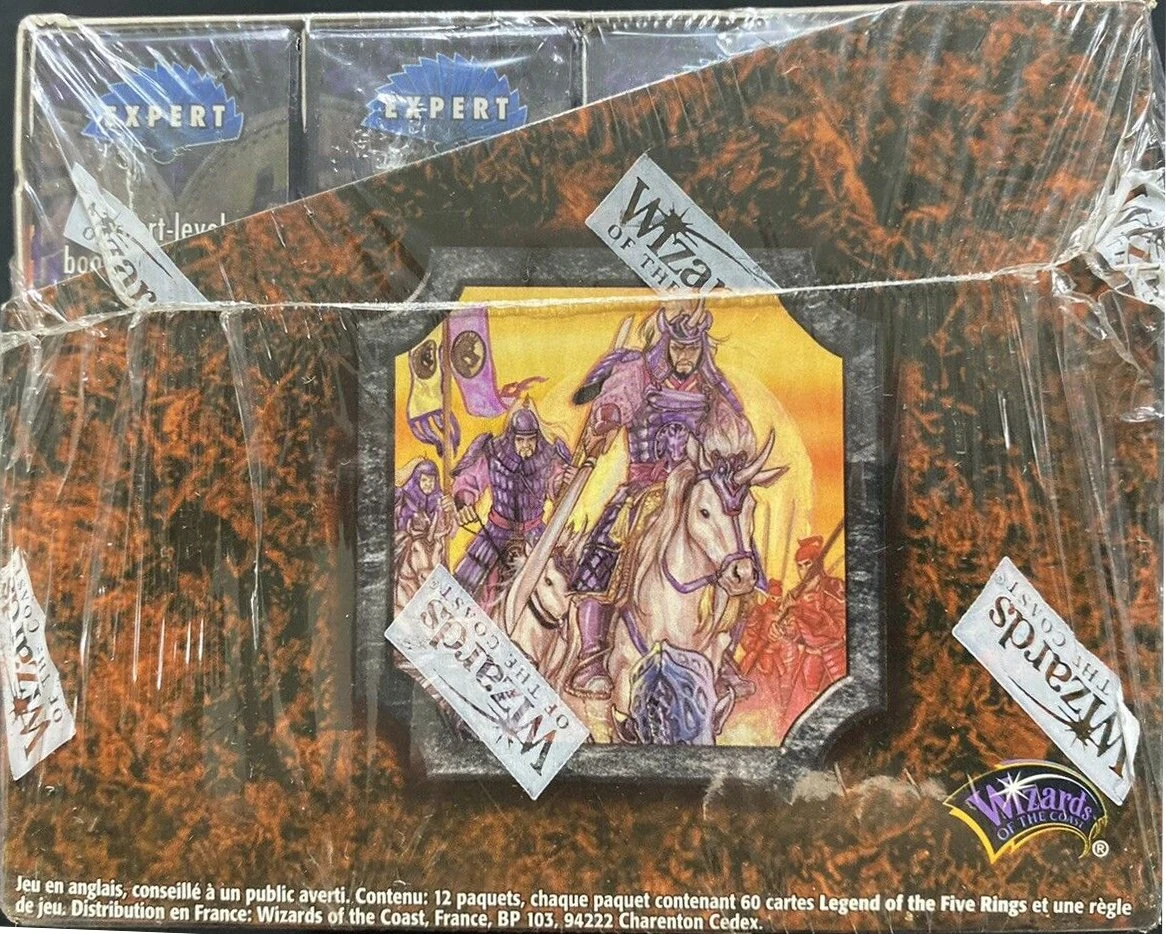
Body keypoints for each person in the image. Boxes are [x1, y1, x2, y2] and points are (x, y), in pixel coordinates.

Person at [566, 297, 753, 699]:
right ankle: (591, 657)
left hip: (692, 492)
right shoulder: (639, 372)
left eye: (692, 350)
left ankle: (723, 654)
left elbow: (732, 424)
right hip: (643, 490)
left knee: (737, 556)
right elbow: (617, 400)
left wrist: (735, 448)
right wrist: (608, 416)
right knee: (603, 553)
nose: (685, 357)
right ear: (666, 344)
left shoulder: (711, 386)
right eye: (679, 348)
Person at [451, 403, 572, 609]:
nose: (526, 445)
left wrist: (566, 481)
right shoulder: (493, 453)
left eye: (530, 439)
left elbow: (557, 487)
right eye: (520, 440)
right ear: (512, 437)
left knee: (555, 584)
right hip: (496, 533)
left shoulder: (549, 457)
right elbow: (469, 481)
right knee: (468, 584)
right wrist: (464, 502)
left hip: (535, 535)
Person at [773, 535, 846, 739]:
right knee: (802, 713)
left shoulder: (834, 587)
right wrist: (784, 631)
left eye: (808, 564)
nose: (804, 570)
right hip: (811, 659)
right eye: (800, 566)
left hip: (836, 657)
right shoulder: (794, 595)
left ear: (817, 564)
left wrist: (802, 611)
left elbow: (837, 629)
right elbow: (797, 635)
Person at [393, 458, 453, 608]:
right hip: (407, 541)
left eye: (431, 480)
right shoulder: (405, 497)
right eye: (424, 480)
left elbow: (449, 528)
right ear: (417, 480)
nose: (428, 484)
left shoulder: (439, 501)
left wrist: (449, 512)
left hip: (432, 546)